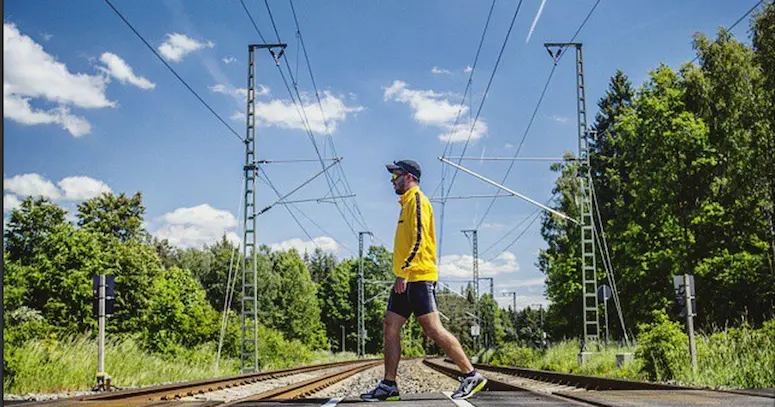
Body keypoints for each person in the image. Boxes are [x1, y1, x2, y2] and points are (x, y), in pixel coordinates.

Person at [360, 159, 487, 402]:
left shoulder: (417, 200)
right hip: (406, 278)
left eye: (395, 176)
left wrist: (404, 272)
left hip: (417, 277)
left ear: (408, 176)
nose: (392, 181)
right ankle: (389, 384)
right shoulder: (405, 203)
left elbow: (418, 239)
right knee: (390, 326)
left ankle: (471, 374)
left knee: (433, 329)